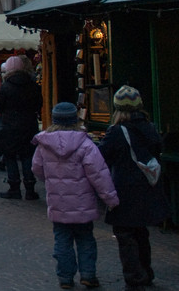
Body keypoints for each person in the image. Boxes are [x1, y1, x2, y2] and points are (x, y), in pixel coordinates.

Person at [32, 102, 118, 290]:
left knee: (62, 240)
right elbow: (99, 174)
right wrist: (110, 199)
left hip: (57, 203)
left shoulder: (44, 144)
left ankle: (65, 278)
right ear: (75, 119)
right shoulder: (85, 143)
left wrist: (50, 182)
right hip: (83, 204)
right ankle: (88, 275)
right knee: (86, 239)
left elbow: (37, 169)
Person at [99, 86, 170, 291]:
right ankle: (146, 272)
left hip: (126, 189)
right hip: (147, 189)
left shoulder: (117, 131)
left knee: (125, 235)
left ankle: (135, 278)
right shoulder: (150, 127)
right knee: (141, 232)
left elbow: (103, 156)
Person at [0, 55, 42, 200]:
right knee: (27, 156)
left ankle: (14, 188)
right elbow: (38, 104)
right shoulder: (33, 85)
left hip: (10, 125)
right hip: (29, 124)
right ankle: (30, 188)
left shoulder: (6, 86)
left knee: (10, 157)